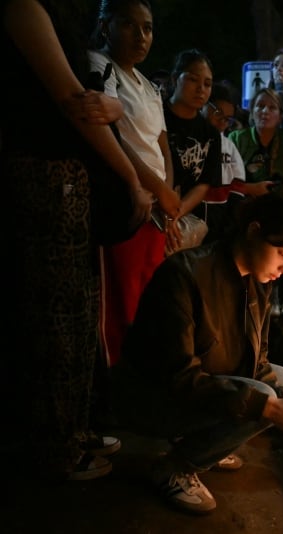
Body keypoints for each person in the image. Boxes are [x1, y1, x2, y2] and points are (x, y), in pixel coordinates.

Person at [110, 189, 283, 514]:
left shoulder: (259, 281)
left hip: (210, 382)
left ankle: (206, 443)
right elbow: (179, 377)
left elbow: (258, 363)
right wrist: (269, 406)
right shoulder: (184, 275)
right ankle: (176, 465)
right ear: (254, 231)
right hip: (151, 396)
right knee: (261, 397)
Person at [1, 0, 151, 481]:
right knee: (56, 313)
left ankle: (74, 425)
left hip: (69, 178)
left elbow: (93, 102)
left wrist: (115, 106)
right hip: (45, 176)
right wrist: (131, 177)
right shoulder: (24, 9)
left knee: (80, 307)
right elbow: (72, 101)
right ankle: (54, 445)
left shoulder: (59, 16)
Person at [88, 0, 181, 370]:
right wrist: (158, 190)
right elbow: (115, 136)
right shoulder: (98, 66)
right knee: (121, 303)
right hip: (131, 200)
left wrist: (168, 197)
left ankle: (144, 380)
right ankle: (118, 387)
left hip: (157, 207)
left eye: (148, 28)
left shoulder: (147, 86)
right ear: (106, 25)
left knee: (149, 299)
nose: (141, 36)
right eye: (129, 25)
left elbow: (162, 145)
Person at [229, 88, 283, 340]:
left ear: (280, 115)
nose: (264, 112)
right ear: (251, 111)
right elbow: (228, 182)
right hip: (248, 217)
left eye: (271, 108)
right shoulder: (237, 139)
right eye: (259, 106)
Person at [165, 48, 222, 254]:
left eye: (207, 84)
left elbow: (203, 184)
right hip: (153, 205)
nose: (201, 89)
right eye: (193, 80)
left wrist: (175, 214)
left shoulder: (211, 134)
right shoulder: (156, 117)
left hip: (186, 214)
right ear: (175, 78)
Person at [199, 81, 246, 242]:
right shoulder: (192, 139)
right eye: (218, 113)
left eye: (228, 119)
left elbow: (237, 185)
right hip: (191, 214)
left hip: (220, 217)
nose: (222, 122)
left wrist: (231, 220)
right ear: (204, 106)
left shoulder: (229, 146)